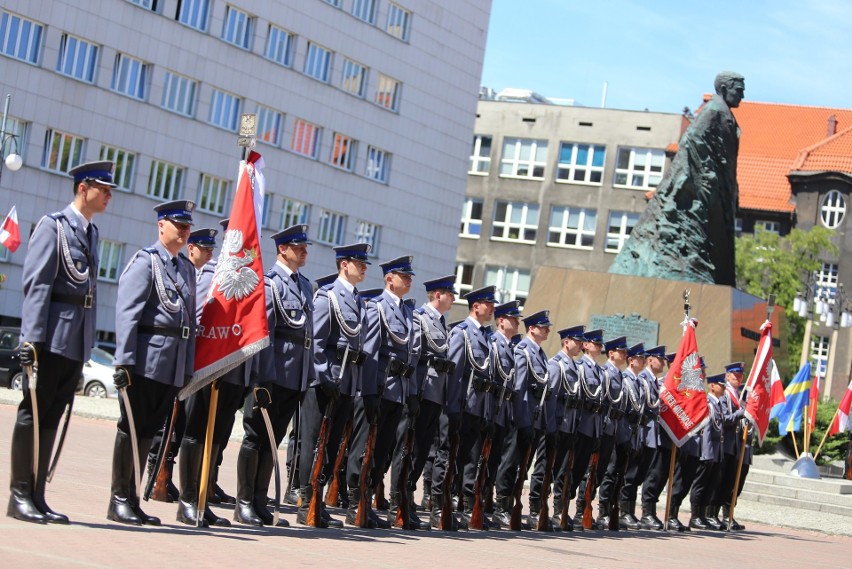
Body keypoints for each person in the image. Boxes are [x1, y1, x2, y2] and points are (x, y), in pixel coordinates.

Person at [9, 161, 114, 524]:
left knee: (52, 415)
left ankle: (37, 493)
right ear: (83, 188)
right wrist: (31, 339)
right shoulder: (54, 226)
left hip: (75, 339)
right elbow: (37, 284)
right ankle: (19, 494)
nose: (109, 195)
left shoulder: (91, 233)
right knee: (33, 412)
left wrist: (87, 341)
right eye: (104, 188)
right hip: (51, 337)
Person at [610, 72, 744, 286]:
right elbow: (692, 138)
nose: (742, 95)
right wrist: (705, 173)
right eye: (739, 89)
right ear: (725, 89)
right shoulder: (714, 110)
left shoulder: (723, 112)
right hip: (701, 185)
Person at [109, 199, 197, 526]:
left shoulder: (186, 268)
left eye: (188, 225)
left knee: (148, 431)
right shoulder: (147, 262)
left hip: (170, 364)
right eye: (179, 224)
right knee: (131, 428)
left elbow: (189, 323)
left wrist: (186, 368)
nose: (185, 230)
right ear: (161, 225)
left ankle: (131, 499)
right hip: (145, 361)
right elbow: (128, 313)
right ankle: (118, 498)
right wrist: (124, 362)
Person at [234, 224, 313, 527]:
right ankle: (244, 502)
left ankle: (259, 500)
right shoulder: (269, 283)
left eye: (305, 246)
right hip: (272, 374)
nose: (304, 250)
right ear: (283, 249)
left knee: (274, 439)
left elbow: (307, 335)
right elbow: (261, 332)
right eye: (298, 245)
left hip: (294, 376)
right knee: (255, 437)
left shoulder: (304, 285)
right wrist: (261, 379)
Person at [296, 243, 370, 528]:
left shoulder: (358, 300)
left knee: (333, 444)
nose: (363, 267)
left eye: (364, 264)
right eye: (358, 263)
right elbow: (316, 341)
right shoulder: (328, 297)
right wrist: (323, 375)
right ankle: (306, 499)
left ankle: (318, 498)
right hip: (327, 379)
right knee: (315, 442)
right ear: (344, 265)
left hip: (347, 381)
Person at [346, 256, 417, 529]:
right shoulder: (377, 308)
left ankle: (368, 499)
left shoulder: (407, 312)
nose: (408, 280)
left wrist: (409, 393)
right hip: (378, 388)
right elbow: (370, 351)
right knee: (364, 448)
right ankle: (355, 503)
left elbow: (409, 355)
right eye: (403, 276)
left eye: (409, 277)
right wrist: (369, 391)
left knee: (383, 450)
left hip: (397, 391)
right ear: (389, 279)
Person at [429, 286, 496, 530]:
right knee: (447, 456)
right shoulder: (462, 333)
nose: (492, 309)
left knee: (470, 458)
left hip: (477, 408)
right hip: (459, 405)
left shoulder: (487, 338)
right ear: (476, 306)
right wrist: (452, 406)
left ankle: (463, 506)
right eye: (488, 304)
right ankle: (439, 505)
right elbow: (454, 373)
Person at [396, 274, 458, 530]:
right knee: (409, 449)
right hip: (422, 391)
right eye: (450, 293)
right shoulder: (419, 318)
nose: (453, 298)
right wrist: (412, 393)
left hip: (436, 394)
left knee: (422, 451)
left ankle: (408, 497)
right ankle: (398, 500)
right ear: (437, 294)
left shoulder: (443, 324)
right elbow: (414, 357)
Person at [512, 310, 554, 531]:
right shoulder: (523, 351)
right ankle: (505, 505)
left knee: (525, 465)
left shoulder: (539, 353)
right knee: (515, 464)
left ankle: (513, 506)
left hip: (536, 417)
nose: (547, 330)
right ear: (532, 329)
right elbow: (519, 387)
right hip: (525, 416)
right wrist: (522, 419)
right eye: (543, 327)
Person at [583, 335, 628, 529]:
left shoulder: (617, 374)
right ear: (612, 353)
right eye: (622, 351)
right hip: (602, 426)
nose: (625, 355)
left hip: (612, 429)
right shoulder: (606, 372)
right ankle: (581, 509)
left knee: (601, 472)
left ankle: (589, 508)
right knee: (592, 471)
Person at [488, 301, 524, 529]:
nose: (517, 322)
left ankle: (495, 504)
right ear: (501, 321)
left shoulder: (512, 347)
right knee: (486, 459)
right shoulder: (493, 343)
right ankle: (477, 502)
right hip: (492, 409)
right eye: (513, 318)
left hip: (507, 411)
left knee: (501, 461)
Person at [547, 324, 585, 531]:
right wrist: (551, 427)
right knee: (549, 469)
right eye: (577, 342)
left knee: (564, 471)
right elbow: (551, 398)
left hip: (571, 425)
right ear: (566, 342)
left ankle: (559, 510)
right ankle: (541, 510)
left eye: (581, 342)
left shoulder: (575, 367)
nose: (580, 345)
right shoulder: (556, 364)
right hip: (558, 425)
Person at [571, 329, 606, 528]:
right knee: (574, 469)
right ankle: (565, 509)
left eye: (600, 344)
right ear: (585, 345)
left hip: (594, 427)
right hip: (582, 425)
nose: (599, 347)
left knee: (587, 470)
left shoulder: (600, 372)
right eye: (595, 343)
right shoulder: (580, 367)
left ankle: (580, 510)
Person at [690, 372, 725, 530]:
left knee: (710, 485)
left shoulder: (717, 404)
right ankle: (695, 516)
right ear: (712, 386)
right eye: (720, 385)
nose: (723, 388)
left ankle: (703, 515)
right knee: (700, 485)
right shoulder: (708, 403)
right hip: (707, 451)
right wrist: (707, 453)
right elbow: (706, 431)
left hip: (715, 451)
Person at [718, 361, 748, 530]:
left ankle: (728, 514)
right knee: (721, 480)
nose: (738, 378)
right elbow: (725, 419)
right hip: (726, 443)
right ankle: (714, 513)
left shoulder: (740, 395)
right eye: (735, 375)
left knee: (733, 482)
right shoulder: (726, 394)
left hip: (737, 444)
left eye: (740, 375)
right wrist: (741, 412)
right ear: (727, 376)